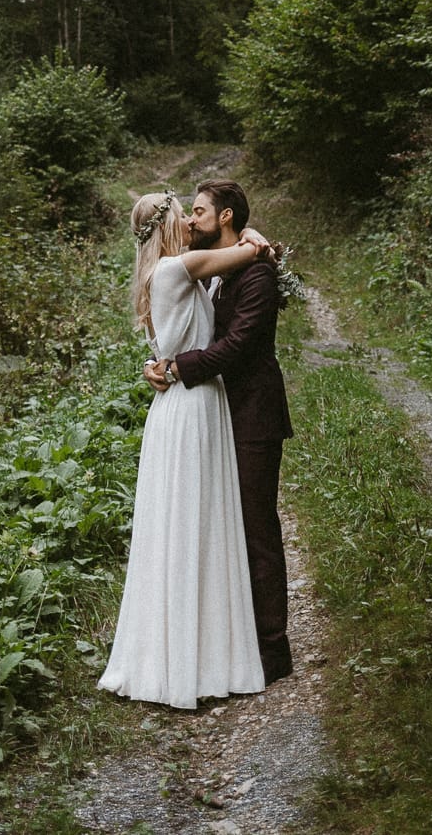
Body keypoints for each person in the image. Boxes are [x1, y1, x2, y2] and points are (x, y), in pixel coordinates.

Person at [97, 189, 270, 709]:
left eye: (196, 214)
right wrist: (254, 236)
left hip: (183, 405)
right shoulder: (179, 268)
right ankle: (191, 659)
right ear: (169, 225)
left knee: (188, 525)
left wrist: (160, 366)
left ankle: (193, 651)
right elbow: (250, 251)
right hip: (192, 405)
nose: (192, 223)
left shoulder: (167, 272)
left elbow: (175, 336)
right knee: (195, 523)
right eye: (185, 215)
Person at [145, 179, 293, 685]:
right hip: (212, 417)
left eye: (200, 211)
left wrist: (177, 369)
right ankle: (230, 643)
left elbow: (237, 345)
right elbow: (182, 328)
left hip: (253, 416)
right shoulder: (212, 272)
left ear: (225, 216)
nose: (191, 220)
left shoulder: (257, 276)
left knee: (256, 530)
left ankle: (272, 651)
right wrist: (158, 363)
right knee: (220, 528)